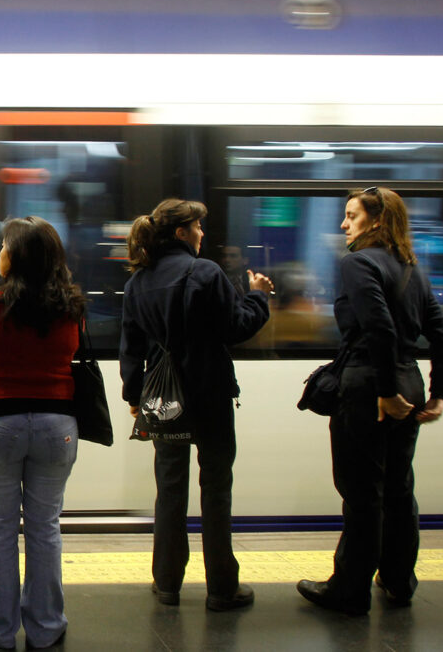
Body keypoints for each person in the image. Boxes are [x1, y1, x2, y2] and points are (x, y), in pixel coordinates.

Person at [297, 187, 443, 615]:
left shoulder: (358, 263)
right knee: (399, 487)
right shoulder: (412, 269)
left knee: (362, 491)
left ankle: (350, 589)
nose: (344, 225)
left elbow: (378, 329)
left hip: (371, 386)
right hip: (407, 379)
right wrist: (439, 392)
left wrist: (386, 393)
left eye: (352, 216)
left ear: (377, 221)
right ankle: (398, 580)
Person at [119, 198, 272, 611]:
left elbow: (131, 349)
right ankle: (222, 588)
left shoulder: (138, 282)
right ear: (182, 232)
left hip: (162, 396)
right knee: (216, 489)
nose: (203, 233)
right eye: (199, 227)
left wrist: (134, 397)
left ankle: (167, 582)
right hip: (210, 394)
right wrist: (258, 297)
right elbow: (237, 327)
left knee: (169, 489)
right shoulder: (206, 273)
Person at [0, 216, 85, 650]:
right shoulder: (70, 305)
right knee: (45, 527)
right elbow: (72, 353)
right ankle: (47, 626)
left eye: (3, 245)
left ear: (14, 256)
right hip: (57, 425)